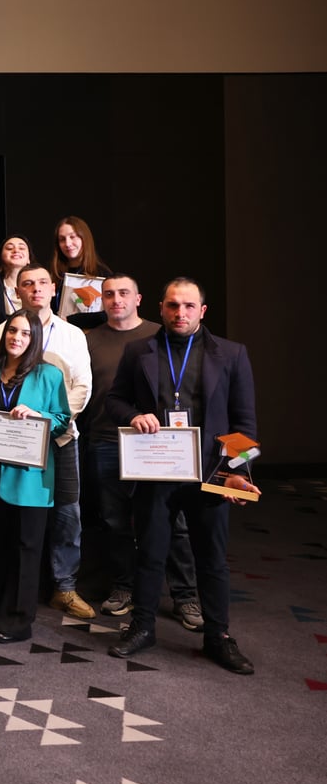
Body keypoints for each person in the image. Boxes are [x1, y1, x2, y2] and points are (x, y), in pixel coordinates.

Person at [106, 278, 259, 674]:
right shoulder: (138, 351)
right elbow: (114, 400)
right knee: (150, 553)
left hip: (210, 475)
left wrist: (235, 473)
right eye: (173, 305)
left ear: (202, 311)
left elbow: (245, 424)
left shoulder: (232, 354)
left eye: (189, 306)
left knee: (212, 560)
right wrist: (132, 416)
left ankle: (218, 637)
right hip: (155, 470)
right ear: (160, 308)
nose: (180, 313)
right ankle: (142, 628)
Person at [84, 274, 200, 622]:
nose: (116, 299)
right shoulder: (88, 339)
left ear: (139, 299)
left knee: (174, 522)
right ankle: (124, 587)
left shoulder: (158, 335)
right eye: (108, 294)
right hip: (106, 439)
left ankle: (185, 595)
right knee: (115, 521)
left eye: (124, 293)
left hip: (157, 443)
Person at [0, 264, 95, 620]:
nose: (35, 289)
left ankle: (63, 587)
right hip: (6, 447)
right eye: (27, 283)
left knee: (66, 515)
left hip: (60, 438)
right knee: (11, 527)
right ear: (17, 291)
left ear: (53, 288)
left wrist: (45, 423)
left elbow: (82, 386)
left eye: (42, 282)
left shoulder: (72, 334)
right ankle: (9, 599)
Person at [0, 310, 72, 643]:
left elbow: (62, 420)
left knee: (26, 547)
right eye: (12, 331)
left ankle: (18, 620)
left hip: (30, 476)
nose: (16, 338)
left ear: (34, 339)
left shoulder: (49, 375)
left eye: (25, 333)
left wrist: (37, 414)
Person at [50, 216, 111, 328]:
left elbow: (108, 313)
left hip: (91, 335)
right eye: (62, 239)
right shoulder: (56, 275)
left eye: (73, 237)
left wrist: (70, 320)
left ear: (84, 238)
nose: (67, 243)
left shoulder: (102, 274)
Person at [0, 235, 33, 315]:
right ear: (1, 256)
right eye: (9, 248)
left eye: (21, 248)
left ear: (29, 259)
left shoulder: (38, 285)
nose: (16, 251)